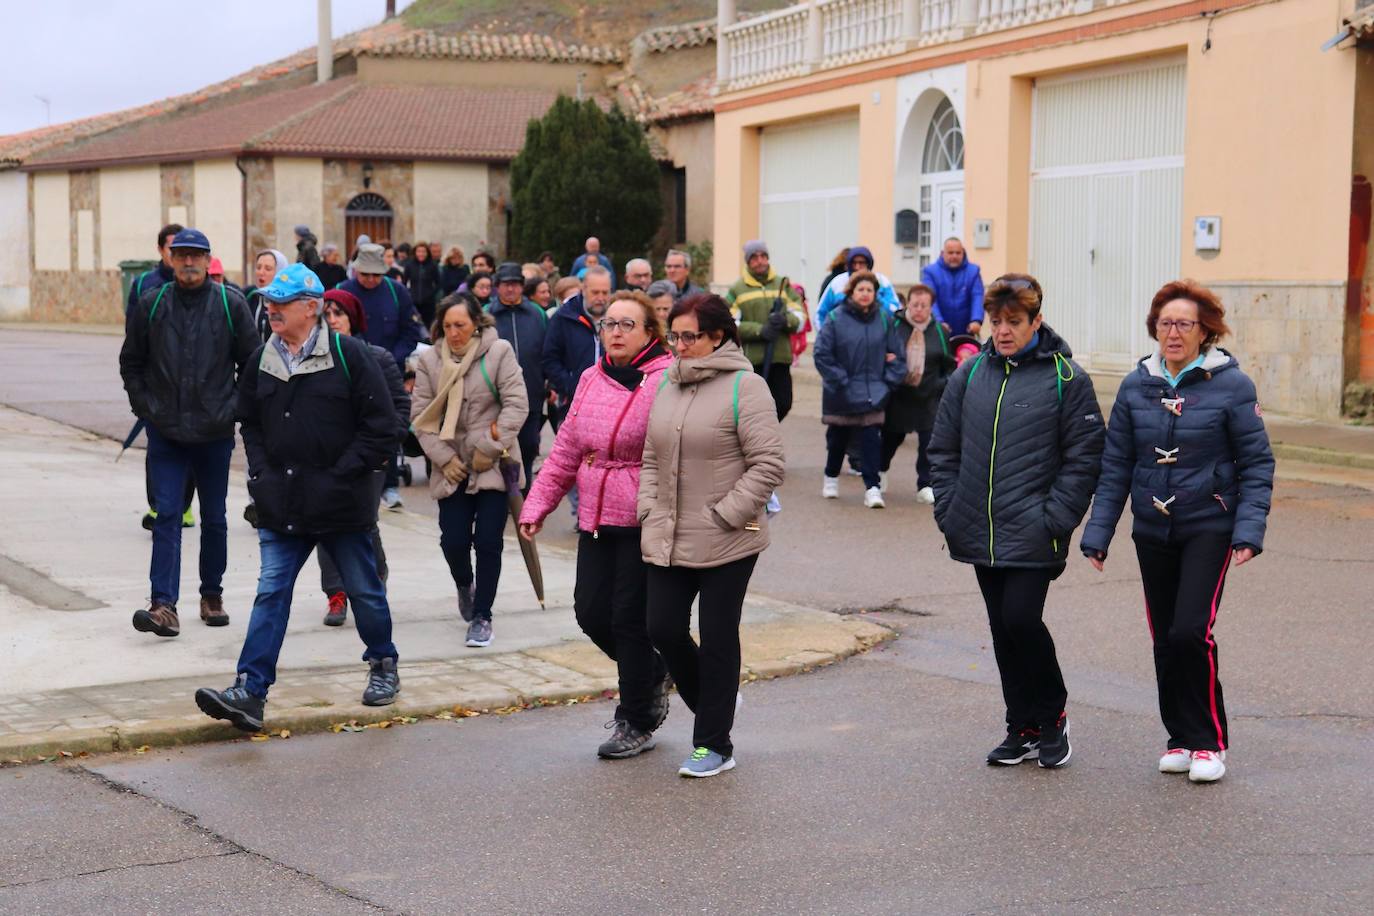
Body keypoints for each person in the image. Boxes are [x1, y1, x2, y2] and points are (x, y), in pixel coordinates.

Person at [193, 264, 402, 732]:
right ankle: (250, 691)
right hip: (282, 503)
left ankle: (383, 664)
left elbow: (382, 428)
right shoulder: (261, 359)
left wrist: (340, 476)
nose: (271, 308)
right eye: (269, 301)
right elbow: (250, 422)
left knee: (364, 589)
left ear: (311, 307)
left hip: (341, 504)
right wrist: (261, 475)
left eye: (282, 302)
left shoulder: (349, 355)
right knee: (271, 592)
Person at [1080, 280, 1274, 784]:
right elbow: (1116, 465)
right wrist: (1098, 532)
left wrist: (1248, 530)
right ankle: (1180, 739)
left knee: (1191, 631)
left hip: (1209, 524)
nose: (1173, 332)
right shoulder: (1135, 385)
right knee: (1165, 638)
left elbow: (1257, 463)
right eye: (1165, 323)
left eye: (1184, 324)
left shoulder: (1233, 385)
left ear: (1204, 331)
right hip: (1152, 529)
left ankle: (1209, 742)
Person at [929, 273, 1104, 770]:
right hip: (977, 528)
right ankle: (1021, 726)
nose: (1003, 331)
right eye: (996, 321)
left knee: (1021, 619)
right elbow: (942, 448)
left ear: (1036, 321)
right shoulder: (969, 375)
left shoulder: (1067, 379)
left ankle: (1053, 716)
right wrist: (949, 508)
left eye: (1014, 322)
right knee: (1002, 630)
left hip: (1035, 530)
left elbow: (1085, 457)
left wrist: (1056, 518)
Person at [518, 291, 674, 758]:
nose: (616, 333)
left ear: (649, 333)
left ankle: (636, 719)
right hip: (596, 516)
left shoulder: (667, 379)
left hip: (643, 516)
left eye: (628, 325)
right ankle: (654, 672)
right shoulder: (591, 376)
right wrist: (536, 506)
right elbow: (566, 449)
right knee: (590, 613)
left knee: (628, 619)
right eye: (609, 324)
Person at [641, 293, 785, 778]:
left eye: (690, 336)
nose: (679, 345)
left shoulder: (748, 387)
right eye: (674, 336)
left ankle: (714, 744)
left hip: (730, 535)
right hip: (669, 531)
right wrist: (648, 508)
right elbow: (651, 456)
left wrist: (727, 514)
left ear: (718, 336)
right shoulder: (668, 383)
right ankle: (715, 702)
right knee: (662, 627)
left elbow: (768, 463)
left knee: (719, 634)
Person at [119, 228, 259, 638]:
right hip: (167, 433)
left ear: (208, 259)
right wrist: (147, 408)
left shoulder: (230, 305)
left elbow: (252, 366)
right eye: (181, 255)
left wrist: (231, 409)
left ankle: (212, 595)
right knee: (167, 515)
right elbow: (131, 362)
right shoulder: (153, 304)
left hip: (214, 434)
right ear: (170, 259)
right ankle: (163, 605)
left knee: (215, 519)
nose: (188, 262)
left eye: (196, 255)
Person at [412, 294, 529, 649]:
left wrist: (488, 448)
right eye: (448, 326)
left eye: (460, 325)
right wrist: (444, 458)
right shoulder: (429, 360)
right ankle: (465, 584)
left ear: (476, 323)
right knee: (454, 540)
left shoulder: (499, 352)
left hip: (493, 462)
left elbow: (517, 404)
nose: (454, 333)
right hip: (451, 465)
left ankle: (482, 616)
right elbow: (420, 417)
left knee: (489, 542)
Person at [317, 288, 411, 627]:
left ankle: (375, 578)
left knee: (362, 522)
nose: (332, 321)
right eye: (326, 315)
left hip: (369, 458)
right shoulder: (313, 359)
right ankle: (336, 593)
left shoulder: (377, 357)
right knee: (325, 521)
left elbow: (399, 408)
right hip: (326, 457)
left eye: (338, 314)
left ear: (352, 319)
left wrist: (384, 448)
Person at [337, 243, 426, 510]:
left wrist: (391, 357)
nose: (371, 280)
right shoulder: (343, 292)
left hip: (388, 368)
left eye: (376, 275)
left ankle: (389, 483)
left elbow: (411, 331)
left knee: (387, 423)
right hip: (350, 367)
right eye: (366, 274)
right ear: (356, 271)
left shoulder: (397, 292)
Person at [813, 271, 905, 509]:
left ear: (875, 293)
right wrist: (840, 379)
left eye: (869, 290)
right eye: (860, 289)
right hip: (842, 391)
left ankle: (872, 488)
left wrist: (887, 383)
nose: (865, 294)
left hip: (874, 391)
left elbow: (898, 355)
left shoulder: (884, 318)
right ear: (851, 292)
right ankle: (831, 476)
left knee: (871, 440)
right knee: (838, 439)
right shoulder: (835, 318)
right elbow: (822, 354)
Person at [880, 284, 954, 503]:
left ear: (931, 308)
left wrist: (941, 384)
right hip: (899, 395)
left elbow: (949, 365)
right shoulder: (894, 325)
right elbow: (882, 353)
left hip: (929, 396)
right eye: (915, 305)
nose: (919, 310)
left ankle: (925, 484)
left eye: (924, 306)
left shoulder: (940, 331)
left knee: (929, 442)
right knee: (891, 439)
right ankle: (880, 470)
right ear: (908, 305)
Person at [726, 239, 803, 422]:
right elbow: (730, 324)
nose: (759, 261)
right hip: (753, 361)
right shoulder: (737, 289)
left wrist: (785, 320)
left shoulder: (782, 284)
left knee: (783, 403)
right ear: (748, 261)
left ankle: (766, 430)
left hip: (780, 357)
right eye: (754, 257)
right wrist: (760, 331)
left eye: (763, 256)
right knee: (755, 407)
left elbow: (800, 317)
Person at [487, 262, 548, 489]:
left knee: (529, 446)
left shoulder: (537, 314)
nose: (510, 289)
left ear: (522, 286)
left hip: (531, 393)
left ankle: (525, 493)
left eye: (515, 284)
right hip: (495, 397)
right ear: (497, 286)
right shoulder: (486, 314)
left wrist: (549, 383)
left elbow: (548, 350)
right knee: (499, 447)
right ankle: (502, 494)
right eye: (506, 284)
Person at [544, 265, 613, 406]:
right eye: (595, 292)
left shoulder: (618, 317)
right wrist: (571, 386)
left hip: (611, 401)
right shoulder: (564, 317)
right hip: (573, 402)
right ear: (583, 289)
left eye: (605, 293)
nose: (601, 298)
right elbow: (550, 358)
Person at [815, 246, 900, 324]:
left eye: (861, 263)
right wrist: (827, 334)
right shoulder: (837, 282)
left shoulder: (882, 281)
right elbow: (820, 314)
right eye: (854, 263)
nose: (857, 267)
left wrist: (877, 299)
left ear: (869, 264)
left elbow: (896, 311)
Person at [922, 237, 986, 337]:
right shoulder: (930, 272)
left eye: (958, 253)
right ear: (943, 253)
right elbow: (929, 299)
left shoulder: (973, 271)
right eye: (950, 253)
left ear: (963, 253)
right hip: (938, 332)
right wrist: (939, 321)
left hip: (967, 331)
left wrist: (976, 320)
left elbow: (977, 297)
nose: (954, 256)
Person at [125, 223, 183, 315]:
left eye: (181, 249)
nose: (176, 254)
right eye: (171, 249)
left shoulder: (196, 283)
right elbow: (133, 321)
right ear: (160, 249)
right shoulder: (142, 284)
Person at [404, 238, 441, 328]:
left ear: (427, 253)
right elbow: (404, 282)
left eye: (423, 252)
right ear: (415, 252)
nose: (421, 254)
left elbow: (439, 283)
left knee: (428, 326)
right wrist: (409, 293)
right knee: (414, 325)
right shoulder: (409, 265)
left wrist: (431, 294)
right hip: (413, 302)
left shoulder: (432, 265)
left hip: (428, 303)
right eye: (419, 251)